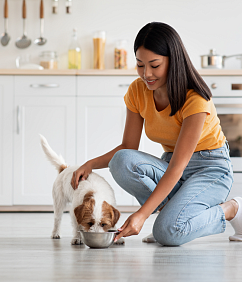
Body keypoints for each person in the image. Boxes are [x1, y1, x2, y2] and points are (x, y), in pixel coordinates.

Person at [71, 22, 242, 246]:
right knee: (121, 161)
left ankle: (231, 209)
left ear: (173, 60)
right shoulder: (137, 91)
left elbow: (177, 167)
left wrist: (142, 215)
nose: (146, 74)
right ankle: (172, 216)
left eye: (155, 65)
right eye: (140, 65)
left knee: (168, 233)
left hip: (210, 169)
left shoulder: (195, 99)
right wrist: (90, 163)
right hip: (172, 165)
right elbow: (127, 148)